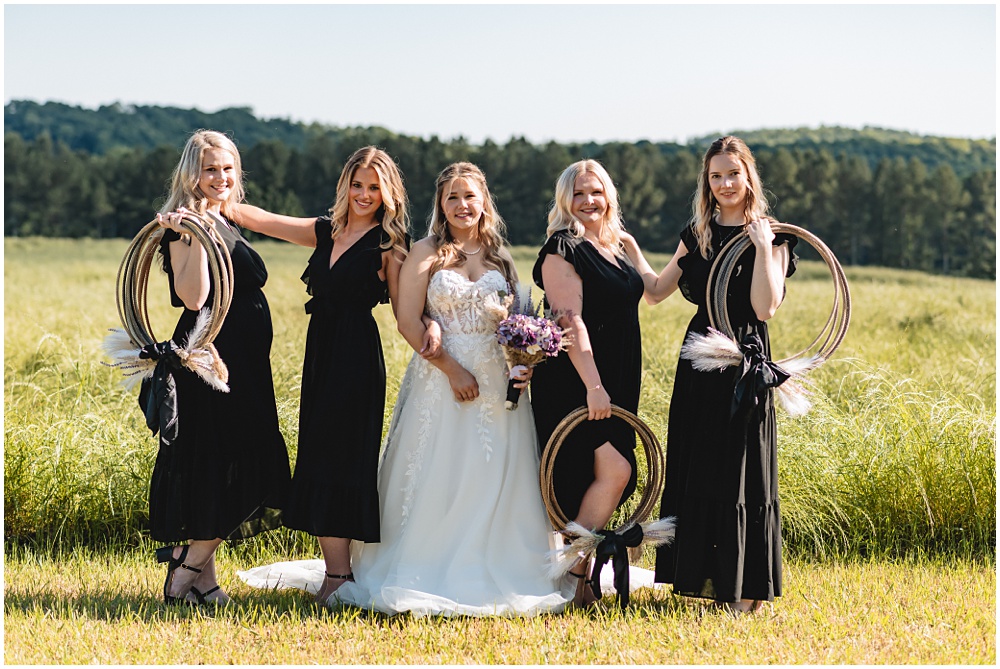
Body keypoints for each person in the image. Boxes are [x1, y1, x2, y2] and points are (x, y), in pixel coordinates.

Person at [240, 162, 571, 616]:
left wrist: (525, 360)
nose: (461, 205)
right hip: (441, 380)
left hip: (498, 387)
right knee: (437, 469)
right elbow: (408, 320)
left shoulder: (502, 258)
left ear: (484, 201)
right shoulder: (423, 251)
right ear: (441, 204)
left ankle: (503, 563)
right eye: (452, 197)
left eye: (469, 196)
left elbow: (518, 321)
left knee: (495, 472)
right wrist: (450, 367)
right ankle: (421, 564)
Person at [232, 146, 423, 603]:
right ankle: (335, 570)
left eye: (374, 187)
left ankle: (339, 577)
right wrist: (211, 203)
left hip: (357, 361)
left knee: (344, 459)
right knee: (317, 454)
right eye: (357, 184)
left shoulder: (388, 245)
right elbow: (262, 220)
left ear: (387, 193)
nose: (364, 194)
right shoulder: (325, 231)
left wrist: (445, 352)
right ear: (345, 186)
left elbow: (405, 314)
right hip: (319, 356)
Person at [623, 135, 796, 615]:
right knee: (700, 464)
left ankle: (745, 590)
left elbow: (766, 306)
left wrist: (762, 248)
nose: (724, 183)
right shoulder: (696, 231)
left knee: (740, 468)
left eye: (732, 174)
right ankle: (704, 581)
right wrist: (634, 249)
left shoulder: (775, 235)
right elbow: (657, 291)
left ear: (748, 177)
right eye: (715, 176)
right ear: (707, 180)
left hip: (745, 358)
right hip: (699, 358)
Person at [150, 130, 291, 605]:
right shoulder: (185, 226)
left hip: (245, 361)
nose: (222, 177)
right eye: (211, 168)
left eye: (228, 168)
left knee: (219, 460)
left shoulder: (225, 218)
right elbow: (193, 297)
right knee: (231, 458)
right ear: (193, 173)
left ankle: (204, 584)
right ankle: (186, 572)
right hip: (211, 359)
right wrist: (195, 232)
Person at [529, 159, 645, 607]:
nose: (588, 201)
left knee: (606, 472)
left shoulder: (614, 247)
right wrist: (594, 386)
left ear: (609, 195)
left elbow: (652, 291)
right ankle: (577, 576)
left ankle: (576, 576)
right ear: (565, 200)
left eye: (596, 192)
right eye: (578, 194)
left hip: (616, 374)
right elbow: (569, 321)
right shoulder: (563, 248)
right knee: (614, 471)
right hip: (579, 377)